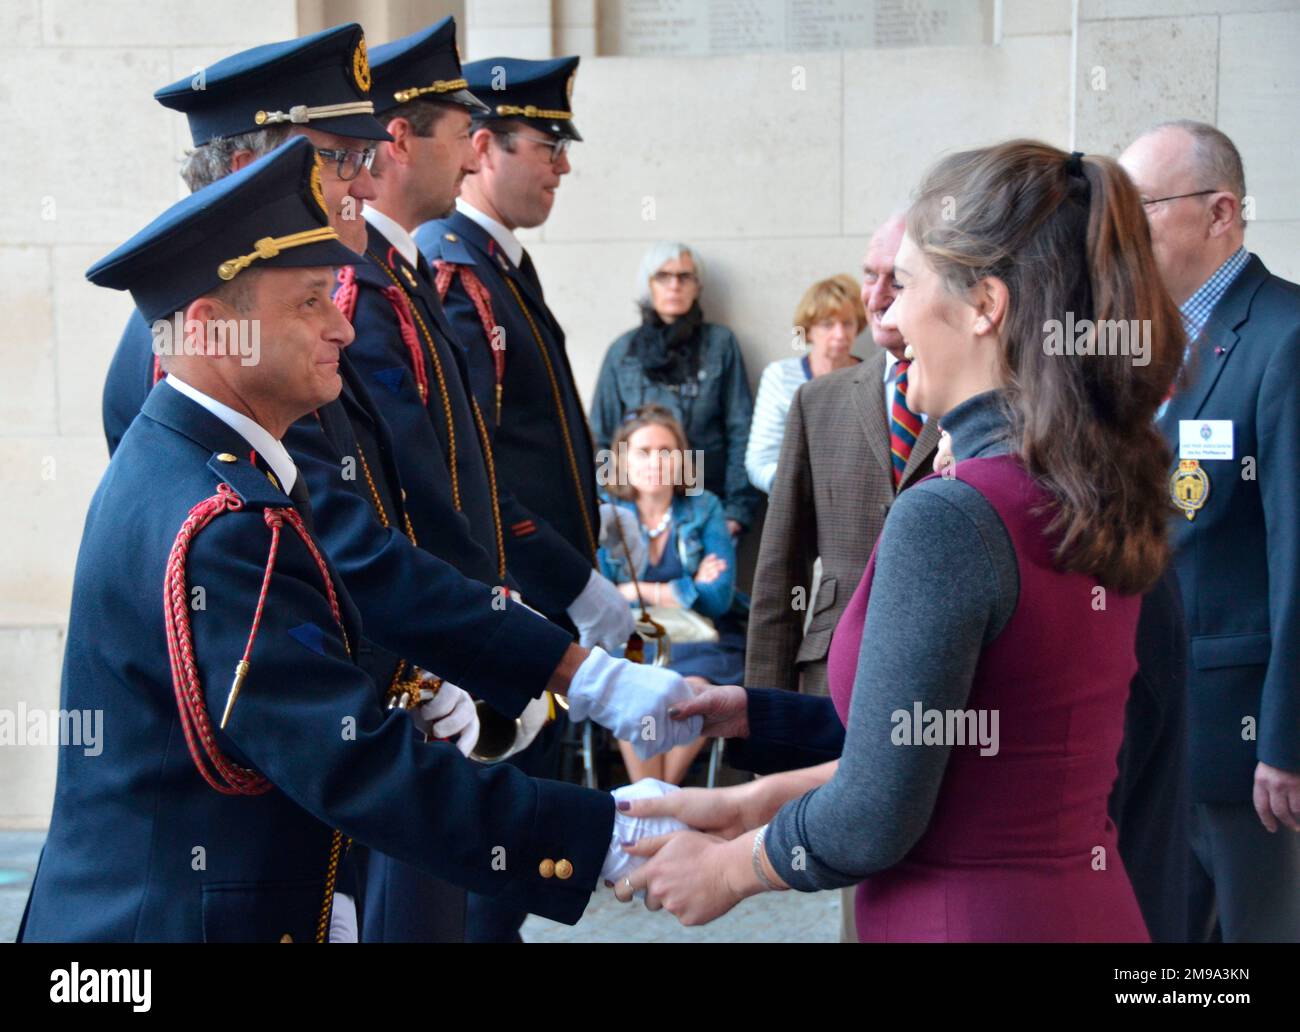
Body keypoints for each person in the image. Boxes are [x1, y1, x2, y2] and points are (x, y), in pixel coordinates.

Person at [18, 140, 700, 941]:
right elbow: (349, 763)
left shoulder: (199, 463)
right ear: (211, 329)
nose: (342, 322)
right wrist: (602, 833)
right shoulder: (224, 521)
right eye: (310, 301)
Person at [615, 141, 1185, 942]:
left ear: (985, 305)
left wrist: (730, 866)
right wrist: (742, 794)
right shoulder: (1098, 482)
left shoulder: (955, 513)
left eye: (907, 285)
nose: (887, 319)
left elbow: (876, 813)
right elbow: (966, 737)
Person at [344, 20, 633, 942]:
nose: (560, 167)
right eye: (543, 146)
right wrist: (560, 595)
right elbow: (444, 494)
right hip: (454, 643)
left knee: (479, 901)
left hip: (491, 634)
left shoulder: (453, 274)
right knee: (454, 902)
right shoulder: (432, 280)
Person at [1121, 120, 1300, 942]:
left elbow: (1294, 551)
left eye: (1142, 207)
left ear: (1220, 212)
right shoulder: (1135, 345)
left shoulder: (1284, 336)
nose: (1120, 232)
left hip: (1246, 748)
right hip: (1147, 729)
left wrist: (1287, 737)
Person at [745, 215, 940, 699]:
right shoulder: (817, 402)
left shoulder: (986, 395)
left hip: (945, 678)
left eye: (897, 279)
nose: (874, 298)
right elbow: (780, 570)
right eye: (869, 276)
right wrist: (764, 717)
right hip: (831, 681)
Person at [598, 405, 746, 784]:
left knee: (694, 695)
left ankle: (660, 796)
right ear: (622, 459)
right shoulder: (605, 511)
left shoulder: (705, 507)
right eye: (644, 452)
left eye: (667, 451)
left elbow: (717, 598)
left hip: (702, 642)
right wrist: (684, 587)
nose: (657, 462)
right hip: (627, 641)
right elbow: (598, 596)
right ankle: (655, 799)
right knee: (632, 690)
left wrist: (636, 589)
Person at [590, 243, 761, 534]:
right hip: (637, 512)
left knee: (711, 580)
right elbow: (601, 438)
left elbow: (741, 430)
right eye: (663, 276)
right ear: (648, 284)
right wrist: (608, 505)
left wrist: (736, 511)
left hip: (708, 507)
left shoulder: (720, 345)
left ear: (697, 286)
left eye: (685, 277)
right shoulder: (623, 352)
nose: (674, 286)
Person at [745, 274, 865, 494]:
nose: (839, 335)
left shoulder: (872, 377)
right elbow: (759, 462)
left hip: (855, 500)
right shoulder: (781, 376)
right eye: (828, 325)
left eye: (847, 323)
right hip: (794, 501)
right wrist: (798, 490)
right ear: (808, 330)